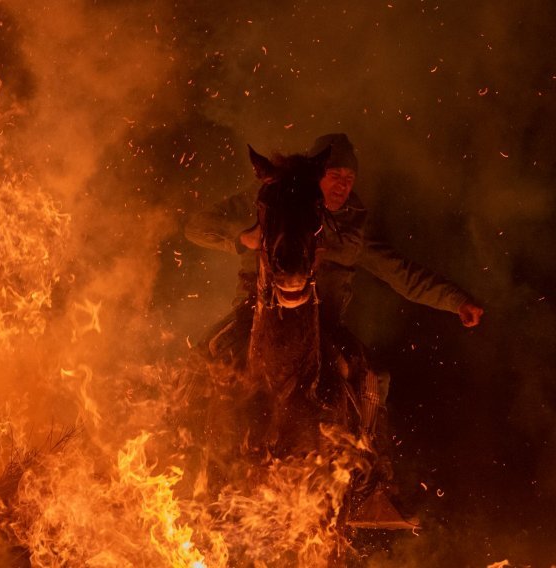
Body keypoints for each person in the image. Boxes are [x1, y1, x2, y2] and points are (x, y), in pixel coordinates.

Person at [185, 133, 483, 450]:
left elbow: (401, 273)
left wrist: (456, 301)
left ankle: (369, 465)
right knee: (205, 356)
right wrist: (243, 237)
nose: (342, 185)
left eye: (349, 178)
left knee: (370, 378)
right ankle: (180, 443)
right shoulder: (267, 198)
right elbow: (197, 227)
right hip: (254, 313)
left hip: (324, 325)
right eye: (335, 175)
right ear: (315, 176)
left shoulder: (351, 224)